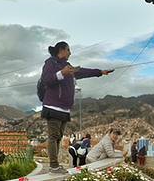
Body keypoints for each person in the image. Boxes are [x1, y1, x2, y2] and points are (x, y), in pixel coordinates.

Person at [40, 41, 113, 174]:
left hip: (64, 108)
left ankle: (55, 166)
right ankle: (54, 166)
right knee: (53, 136)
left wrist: (100, 72)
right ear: (61, 50)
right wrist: (61, 72)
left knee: (58, 137)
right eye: (68, 50)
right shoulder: (51, 62)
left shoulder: (67, 66)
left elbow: (83, 71)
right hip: (53, 106)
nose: (70, 53)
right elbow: (47, 79)